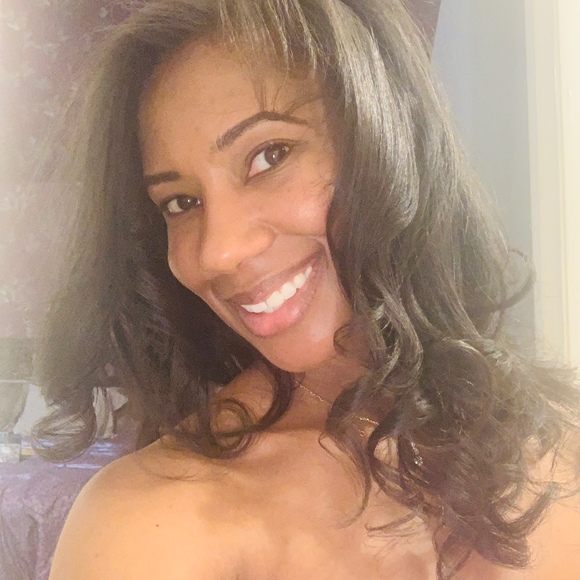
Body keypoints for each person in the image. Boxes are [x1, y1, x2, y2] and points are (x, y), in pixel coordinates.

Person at [36, 1, 579, 578]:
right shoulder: (150, 521)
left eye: (269, 156)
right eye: (181, 202)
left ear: (388, 138)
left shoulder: (553, 442)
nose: (218, 251)